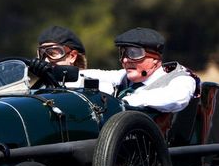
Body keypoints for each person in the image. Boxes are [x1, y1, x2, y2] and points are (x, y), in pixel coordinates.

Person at [30, 26, 198, 113]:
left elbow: (178, 98)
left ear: (155, 58)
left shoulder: (180, 78)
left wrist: (125, 102)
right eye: (123, 53)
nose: (125, 60)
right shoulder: (125, 77)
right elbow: (87, 75)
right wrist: (50, 72)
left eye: (134, 53)